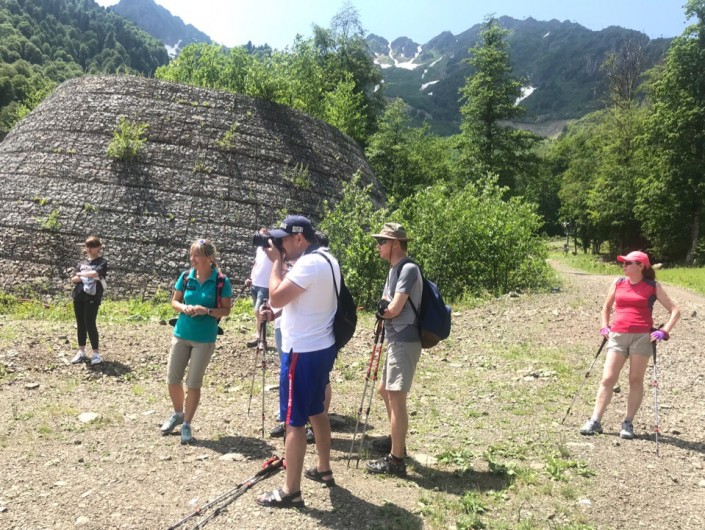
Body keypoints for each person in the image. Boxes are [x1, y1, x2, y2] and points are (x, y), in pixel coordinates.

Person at [256, 215, 339, 508]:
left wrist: (275, 263)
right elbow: (305, 302)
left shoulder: (308, 264)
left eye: (284, 240)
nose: (281, 245)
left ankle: (291, 491)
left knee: (294, 421)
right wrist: (277, 315)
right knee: (316, 411)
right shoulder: (327, 259)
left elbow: (277, 297)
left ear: (300, 238)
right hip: (321, 347)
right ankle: (324, 468)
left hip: (301, 352)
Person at [580, 250, 680, 439]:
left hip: (641, 337)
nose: (624, 266)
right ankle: (595, 420)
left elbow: (675, 310)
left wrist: (663, 331)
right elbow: (606, 307)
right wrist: (604, 326)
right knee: (608, 378)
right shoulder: (618, 283)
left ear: (641, 266)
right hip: (618, 335)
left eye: (628, 263)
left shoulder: (652, 286)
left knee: (635, 379)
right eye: (623, 263)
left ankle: (628, 422)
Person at [160, 239, 232, 445]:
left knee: (193, 383)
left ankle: (187, 424)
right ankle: (178, 413)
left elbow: (226, 310)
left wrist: (206, 311)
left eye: (197, 255)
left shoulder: (221, 281)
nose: (192, 259)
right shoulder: (185, 277)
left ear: (210, 258)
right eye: (191, 255)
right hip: (181, 333)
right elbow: (175, 301)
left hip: (204, 338)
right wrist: (184, 308)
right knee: (172, 379)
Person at [366, 223, 422, 477]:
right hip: (396, 338)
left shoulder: (408, 269)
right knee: (384, 389)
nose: (378, 246)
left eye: (382, 242)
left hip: (405, 338)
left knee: (397, 398)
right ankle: (395, 440)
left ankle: (396, 460)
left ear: (396, 244)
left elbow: (395, 308)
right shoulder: (394, 269)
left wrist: (384, 311)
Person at [70, 236, 108, 365]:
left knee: (90, 323)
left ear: (98, 247)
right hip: (79, 295)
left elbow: (96, 274)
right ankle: (81, 351)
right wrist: (85, 275)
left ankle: (96, 353)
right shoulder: (82, 263)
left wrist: (81, 274)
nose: (89, 249)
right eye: (87, 246)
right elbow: (73, 279)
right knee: (80, 323)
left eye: (92, 246)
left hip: (92, 296)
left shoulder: (102, 262)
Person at [245, 228, 274, 348]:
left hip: (265, 285)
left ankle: (263, 340)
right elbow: (256, 264)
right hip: (255, 284)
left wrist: (268, 246)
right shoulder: (259, 249)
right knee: (257, 313)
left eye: (263, 237)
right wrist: (250, 278)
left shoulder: (273, 249)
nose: (260, 239)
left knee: (259, 311)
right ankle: (259, 337)